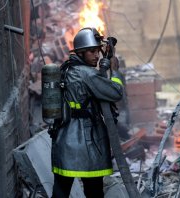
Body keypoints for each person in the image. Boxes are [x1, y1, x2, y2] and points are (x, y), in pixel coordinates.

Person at [50, 27, 124, 198]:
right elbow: (116, 92)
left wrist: (102, 67)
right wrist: (115, 72)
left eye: (97, 51)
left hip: (63, 140)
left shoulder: (67, 68)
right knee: (94, 191)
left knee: (60, 191)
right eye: (91, 51)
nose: (96, 55)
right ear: (81, 53)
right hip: (87, 142)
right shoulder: (87, 74)